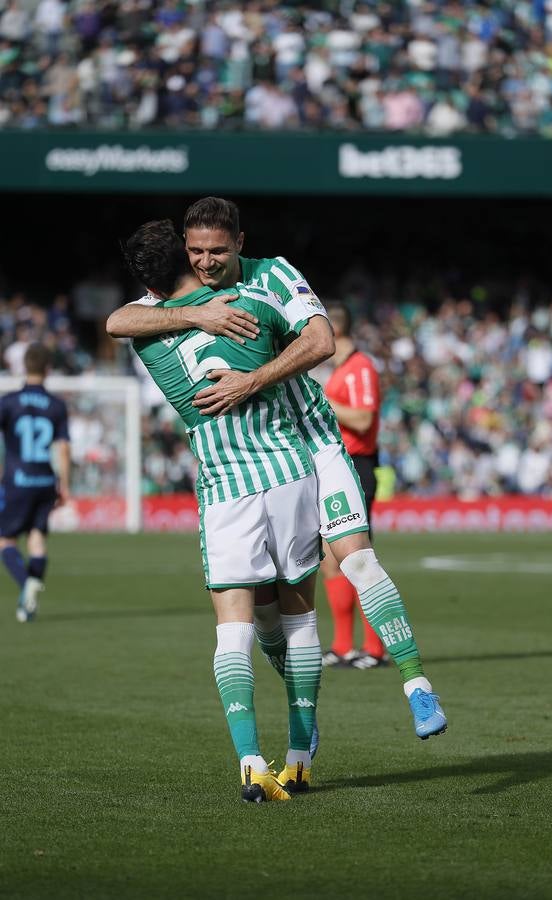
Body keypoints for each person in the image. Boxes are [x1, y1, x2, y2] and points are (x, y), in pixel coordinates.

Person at [107, 196, 447, 742]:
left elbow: (321, 340)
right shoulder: (181, 296)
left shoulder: (273, 277)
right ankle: (302, 720)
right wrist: (197, 312)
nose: (206, 262)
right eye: (196, 251)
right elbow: (117, 319)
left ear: (240, 243)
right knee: (267, 618)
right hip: (261, 460)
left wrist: (252, 379)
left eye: (217, 251)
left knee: (356, 562)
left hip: (314, 441)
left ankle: (416, 684)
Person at [120, 219, 332, 803]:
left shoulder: (144, 333)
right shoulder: (251, 306)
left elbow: (120, 318)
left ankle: (249, 761)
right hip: (289, 470)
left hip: (225, 484)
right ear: (190, 259)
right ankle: (299, 758)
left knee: (234, 627)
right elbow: (314, 340)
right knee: (299, 619)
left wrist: (186, 313)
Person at [321, 303, 388, 669]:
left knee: (357, 558)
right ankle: (344, 645)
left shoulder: (360, 368)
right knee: (330, 560)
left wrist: (324, 402)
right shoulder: (339, 370)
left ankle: (375, 649)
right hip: (337, 467)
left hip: (358, 466)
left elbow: (363, 419)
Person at [0, 342, 70, 622]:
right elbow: (63, 449)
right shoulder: (56, 405)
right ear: (48, 368)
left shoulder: (8, 402)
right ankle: (27, 604)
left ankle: (27, 582)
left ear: (23, 367)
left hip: (17, 479)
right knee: (37, 539)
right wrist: (65, 485)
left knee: (5, 540)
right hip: (45, 480)